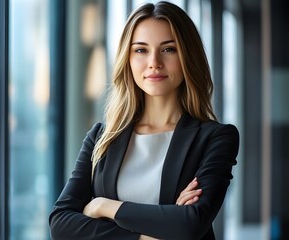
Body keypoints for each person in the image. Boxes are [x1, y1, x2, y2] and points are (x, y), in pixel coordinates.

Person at [49, 1, 239, 239]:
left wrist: (103, 206)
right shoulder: (101, 137)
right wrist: (150, 233)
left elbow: (190, 224)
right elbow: (61, 223)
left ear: (188, 56)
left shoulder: (215, 138)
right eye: (141, 50)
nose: (154, 63)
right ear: (127, 59)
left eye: (168, 49)